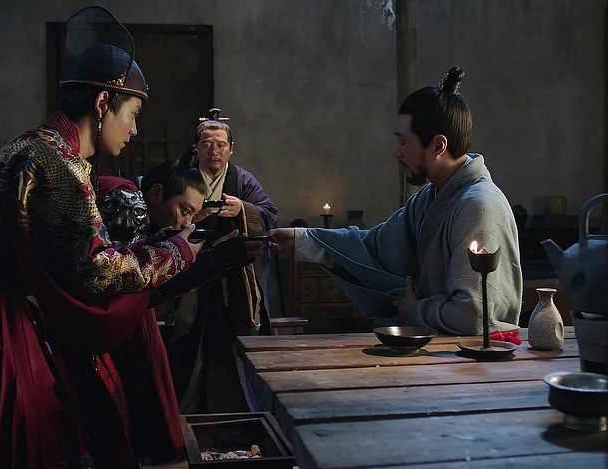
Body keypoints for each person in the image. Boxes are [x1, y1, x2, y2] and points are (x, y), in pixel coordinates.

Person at [0, 6, 201, 469]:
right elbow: (96, 269)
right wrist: (177, 251)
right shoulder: (57, 163)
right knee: (28, 423)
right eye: (133, 113)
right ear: (103, 103)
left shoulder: (33, 144)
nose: (135, 129)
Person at [269, 67, 522, 336]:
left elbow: (473, 316)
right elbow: (373, 247)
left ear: (438, 146)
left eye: (404, 143)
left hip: (477, 356)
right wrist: (301, 240)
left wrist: (416, 310)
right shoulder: (428, 199)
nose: (398, 152)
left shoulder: (479, 206)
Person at [159, 114, 278, 413]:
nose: (214, 151)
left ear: (231, 149)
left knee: (234, 342)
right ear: (197, 148)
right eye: (207, 144)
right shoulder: (186, 178)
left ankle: (239, 412)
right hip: (193, 272)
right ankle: (187, 412)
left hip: (234, 276)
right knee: (190, 343)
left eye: (221, 145)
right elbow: (165, 213)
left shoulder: (242, 180)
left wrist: (243, 209)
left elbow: (270, 213)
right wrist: (190, 214)